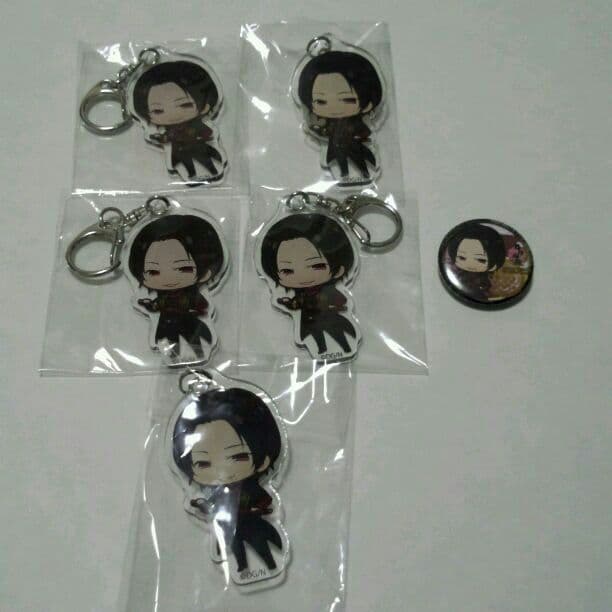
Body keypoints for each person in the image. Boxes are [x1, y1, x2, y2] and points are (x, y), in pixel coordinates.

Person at [172, 387, 285, 574]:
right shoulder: (216, 493)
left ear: (263, 459)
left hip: (253, 523)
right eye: (204, 463)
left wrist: (261, 507)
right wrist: (202, 505)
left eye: (238, 457)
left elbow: (263, 499)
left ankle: (270, 564)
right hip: (227, 526)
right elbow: (211, 506)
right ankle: (242, 567)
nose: (222, 469)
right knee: (234, 547)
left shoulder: (251, 487)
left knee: (261, 544)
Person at [128, 214, 225, 359]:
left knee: (196, 340)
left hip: (189, 321)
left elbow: (202, 304)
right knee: (170, 344)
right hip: (166, 323)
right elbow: (157, 305)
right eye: (154, 272)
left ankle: (199, 354)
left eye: (183, 269)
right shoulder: (161, 297)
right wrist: (148, 305)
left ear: (205, 273)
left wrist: (197, 309)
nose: (168, 278)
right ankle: (174, 357)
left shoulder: (191, 294)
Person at [260, 213, 358, 356]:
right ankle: (322, 350)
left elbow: (340, 300)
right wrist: (288, 303)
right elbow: (297, 304)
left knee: (337, 333)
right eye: (288, 271)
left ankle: (345, 347)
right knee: (314, 335)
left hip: (328, 317)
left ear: (338, 270)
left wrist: (333, 305)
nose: (303, 275)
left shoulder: (328, 290)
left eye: (316, 266)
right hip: (308, 320)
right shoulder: (300, 294)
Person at [297, 50, 383, 181]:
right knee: (340, 161)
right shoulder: (324, 123)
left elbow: (363, 130)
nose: (334, 108)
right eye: (321, 101)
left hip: (355, 145)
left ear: (368, 103)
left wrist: (362, 136)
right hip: (334, 146)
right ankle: (345, 175)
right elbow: (320, 130)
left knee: (361, 159)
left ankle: (364, 174)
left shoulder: (357, 122)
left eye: (348, 99)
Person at [132, 61, 225, 181]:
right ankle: (192, 176)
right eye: (158, 111)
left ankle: (214, 171)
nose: (173, 115)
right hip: (178, 151)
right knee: (185, 164)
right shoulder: (167, 131)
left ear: (205, 106)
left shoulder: (197, 124)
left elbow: (206, 131)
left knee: (206, 159)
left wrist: (203, 135)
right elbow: (166, 138)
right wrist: (160, 138)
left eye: (185, 105)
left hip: (198, 146)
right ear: (146, 114)